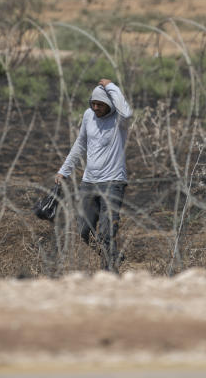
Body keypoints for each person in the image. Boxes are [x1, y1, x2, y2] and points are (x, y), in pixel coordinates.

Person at [55, 78, 132, 271]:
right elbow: (80, 143)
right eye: (93, 103)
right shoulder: (88, 115)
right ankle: (112, 256)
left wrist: (111, 86)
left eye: (100, 104)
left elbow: (128, 111)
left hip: (113, 182)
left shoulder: (119, 120)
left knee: (107, 231)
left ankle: (108, 272)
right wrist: (64, 170)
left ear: (110, 104)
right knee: (83, 231)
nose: (96, 107)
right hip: (89, 183)